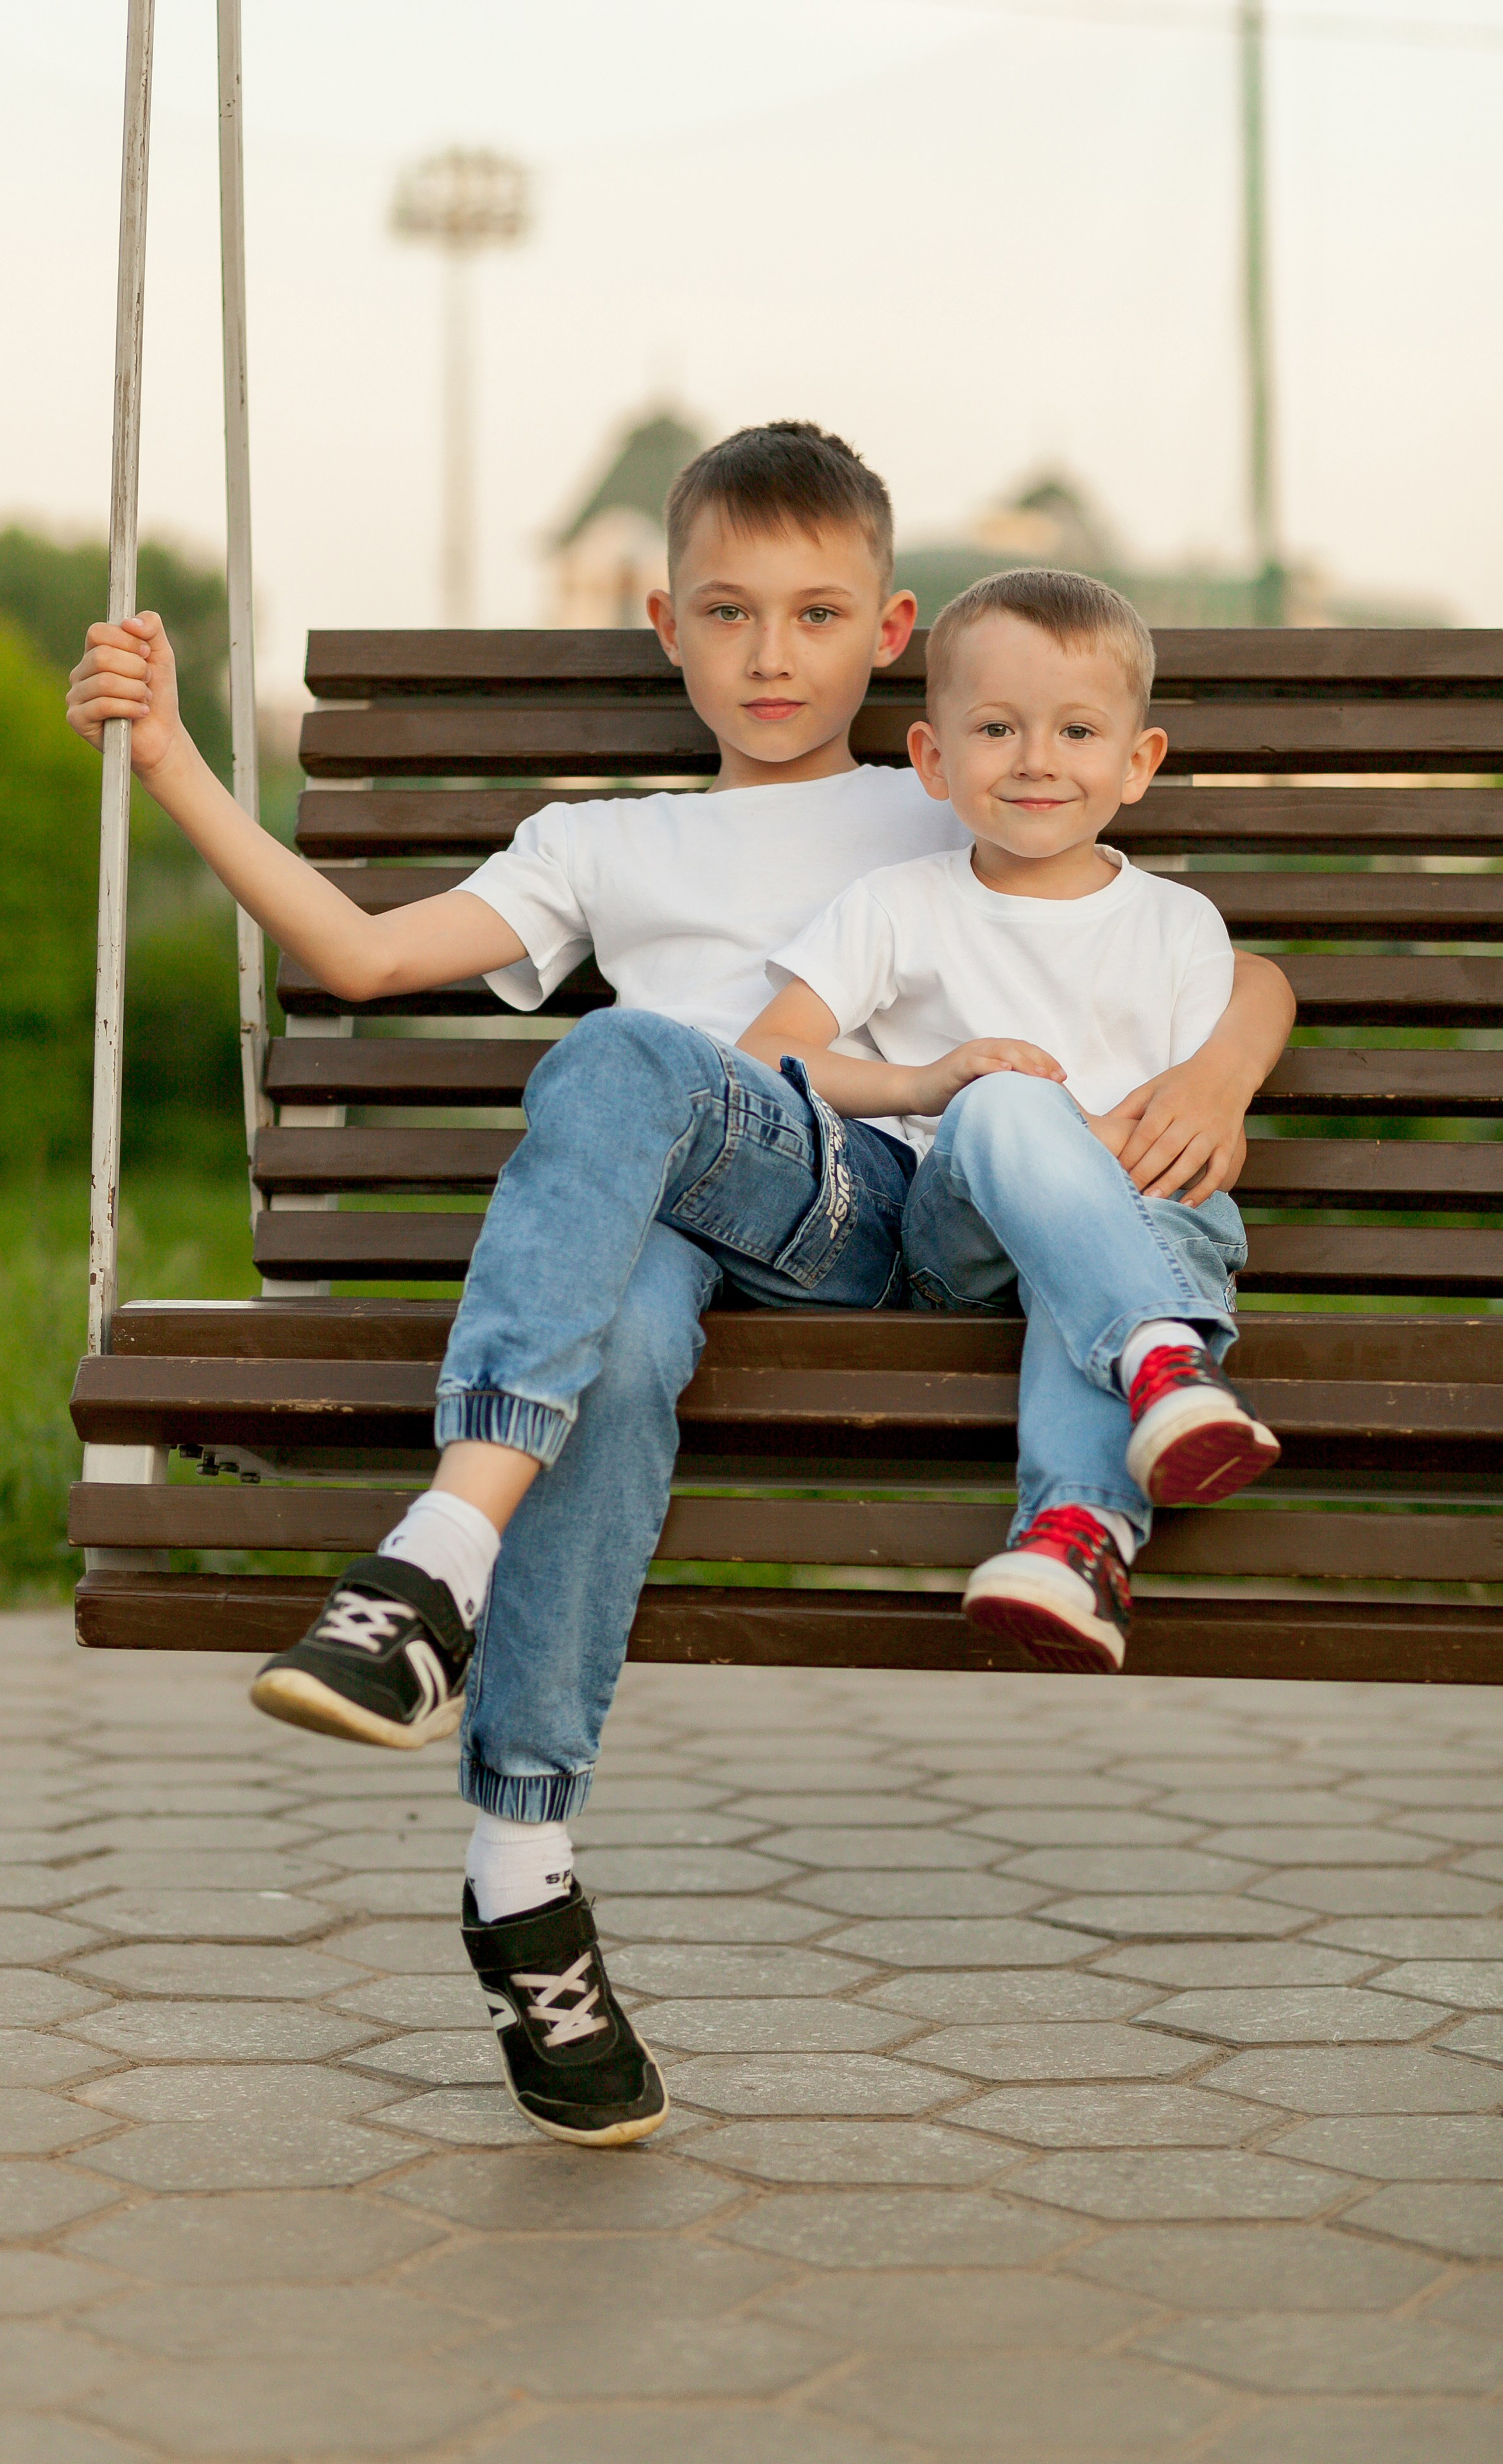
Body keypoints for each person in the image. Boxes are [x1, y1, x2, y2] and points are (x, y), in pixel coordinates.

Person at [66, 426, 1294, 2145]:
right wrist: (174, 762)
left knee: (623, 1055)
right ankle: (521, 1878)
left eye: (816, 615)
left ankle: (436, 1556)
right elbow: (359, 953)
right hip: (666, 1232)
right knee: (623, 1331)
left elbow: (1198, 942)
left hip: (870, 1201)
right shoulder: (599, 844)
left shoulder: (946, 781)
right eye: (727, 612)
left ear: (893, 637)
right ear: (665, 623)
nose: (770, 655)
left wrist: (1219, 1076)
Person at [742, 567, 1282, 1684]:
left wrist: (1190, 1104)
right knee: (1002, 1096)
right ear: (934, 758)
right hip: (967, 1247)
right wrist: (932, 1079)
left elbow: (1195, 1100)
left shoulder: (1180, 925)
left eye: (1078, 730)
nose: (1037, 758)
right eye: (996, 728)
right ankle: (1163, 1357)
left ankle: (1075, 1546)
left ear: (1138, 762)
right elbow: (766, 1053)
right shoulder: (901, 905)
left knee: (1108, 1248)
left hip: (1154, 1220)